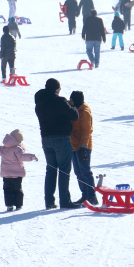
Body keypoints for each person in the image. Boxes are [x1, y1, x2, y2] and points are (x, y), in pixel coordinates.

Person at [34, 78, 81, 209]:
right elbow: (74, 116)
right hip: (61, 138)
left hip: (45, 139)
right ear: (56, 89)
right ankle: (65, 201)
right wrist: (71, 105)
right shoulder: (59, 101)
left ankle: (49, 201)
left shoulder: (39, 102)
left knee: (51, 170)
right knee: (64, 170)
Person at [0, 129, 37, 211]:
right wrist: (31, 156)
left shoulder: (3, 148)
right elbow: (22, 157)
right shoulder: (17, 148)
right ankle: (18, 205)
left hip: (6, 174)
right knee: (17, 190)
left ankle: (9, 205)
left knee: (7, 190)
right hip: (17, 174)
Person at [69, 91, 98, 205]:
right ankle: (85, 195)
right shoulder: (75, 109)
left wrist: (83, 148)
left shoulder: (84, 112)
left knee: (85, 171)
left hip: (83, 147)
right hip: (74, 145)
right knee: (78, 171)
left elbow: (87, 131)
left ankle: (92, 196)